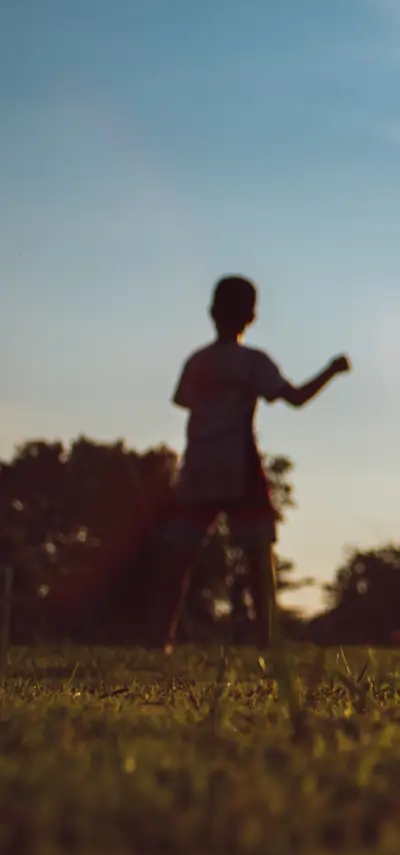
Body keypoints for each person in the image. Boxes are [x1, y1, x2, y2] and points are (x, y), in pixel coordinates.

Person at [152, 275, 350, 652]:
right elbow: (295, 398)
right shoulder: (253, 363)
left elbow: (187, 405)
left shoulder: (197, 361)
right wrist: (331, 370)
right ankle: (267, 639)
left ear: (211, 312)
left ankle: (160, 637)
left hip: (197, 464)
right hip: (238, 465)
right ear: (252, 316)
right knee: (259, 554)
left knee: (179, 555)